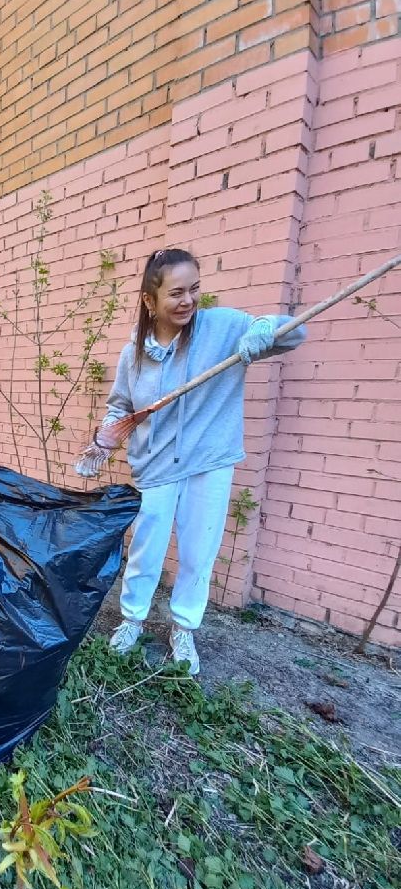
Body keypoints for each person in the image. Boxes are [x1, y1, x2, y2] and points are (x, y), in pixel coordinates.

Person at [75, 248, 307, 675]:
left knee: (200, 550)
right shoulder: (134, 354)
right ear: (150, 300)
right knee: (147, 548)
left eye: (194, 290)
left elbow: (294, 333)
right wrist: (106, 436)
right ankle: (132, 619)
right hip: (156, 465)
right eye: (176, 293)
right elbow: (121, 405)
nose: (187, 301)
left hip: (208, 462)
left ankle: (184, 626)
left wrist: (263, 329)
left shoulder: (221, 328)